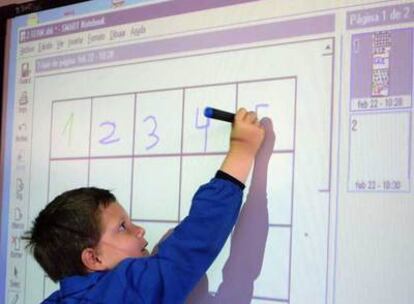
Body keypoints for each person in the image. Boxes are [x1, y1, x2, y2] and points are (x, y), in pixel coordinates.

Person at [23, 108, 265, 303]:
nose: (140, 230)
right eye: (122, 227)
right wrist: (242, 151)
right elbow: (195, 241)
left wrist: (154, 262)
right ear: (94, 259)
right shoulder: (127, 290)